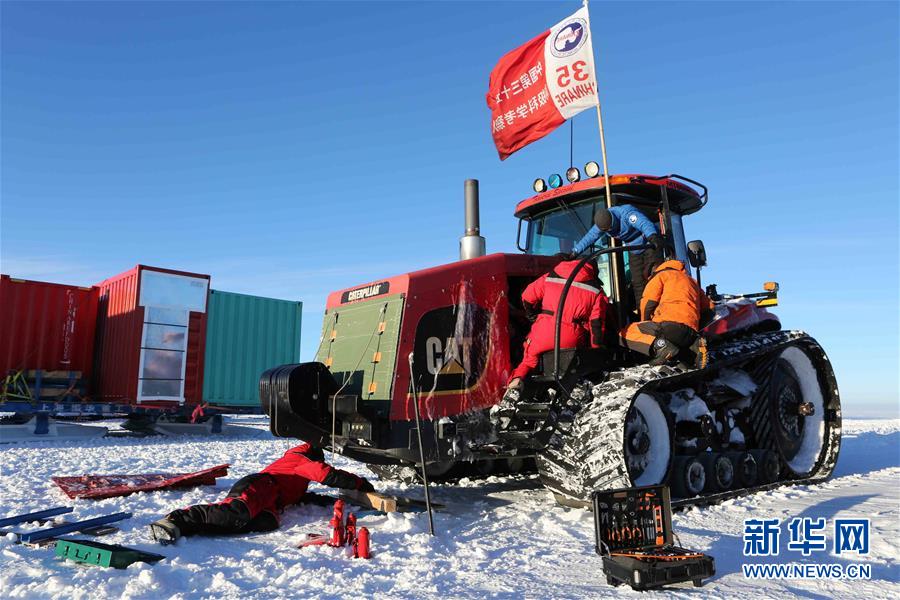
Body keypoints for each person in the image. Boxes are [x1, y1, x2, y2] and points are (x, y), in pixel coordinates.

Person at [149, 443, 374, 544]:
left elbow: (301, 496)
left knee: (263, 523)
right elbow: (327, 475)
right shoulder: (300, 459)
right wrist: (360, 484)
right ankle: (175, 520)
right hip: (260, 486)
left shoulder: (298, 475)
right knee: (236, 513)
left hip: (271, 500)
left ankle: (189, 528)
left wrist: (332, 500)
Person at [506, 258, 609, 392]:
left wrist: (532, 316)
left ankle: (516, 382)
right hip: (571, 338)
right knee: (579, 360)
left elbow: (527, 296)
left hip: (543, 333)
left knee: (528, 361)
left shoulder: (551, 276)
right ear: (593, 271)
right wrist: (596, 349)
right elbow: (596, 324)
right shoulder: (596, 290)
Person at [622, 259, 714, 367]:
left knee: (625, 332)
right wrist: (697, 327)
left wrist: (645, 322)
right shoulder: (692, 281)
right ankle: (695, 346)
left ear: (653, 272)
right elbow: (710, 309)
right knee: (681, 347)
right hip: (691, 332)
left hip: (668, 327)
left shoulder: (660, 276)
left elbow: (648, 304)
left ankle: (662, 347)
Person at [570, 204, 664, 304]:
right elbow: (590, 236)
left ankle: (660, 306)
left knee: (654, 276)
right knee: (638, 283)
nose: (609, 231)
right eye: (606, 230)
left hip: (649, 243)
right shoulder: (602, 224)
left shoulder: (626, 214)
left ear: (612, 220)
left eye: (610, 228)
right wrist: (574, 252)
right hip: (633, 248)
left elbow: (644, 224)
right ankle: (642, 310)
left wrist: (653, 237)